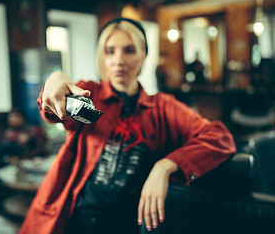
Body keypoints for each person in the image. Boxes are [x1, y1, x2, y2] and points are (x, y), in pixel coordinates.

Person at [19, 17, 236, 234]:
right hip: (74, 219)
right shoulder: (87, 92)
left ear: (144, 55)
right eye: (110, 51)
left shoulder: (163, 107)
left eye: (129, 50)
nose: (119, 60)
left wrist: (166, 165)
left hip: (130, 223)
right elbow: (51, 110)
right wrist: (55, 80)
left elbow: (220, 137)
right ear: (101, 57)